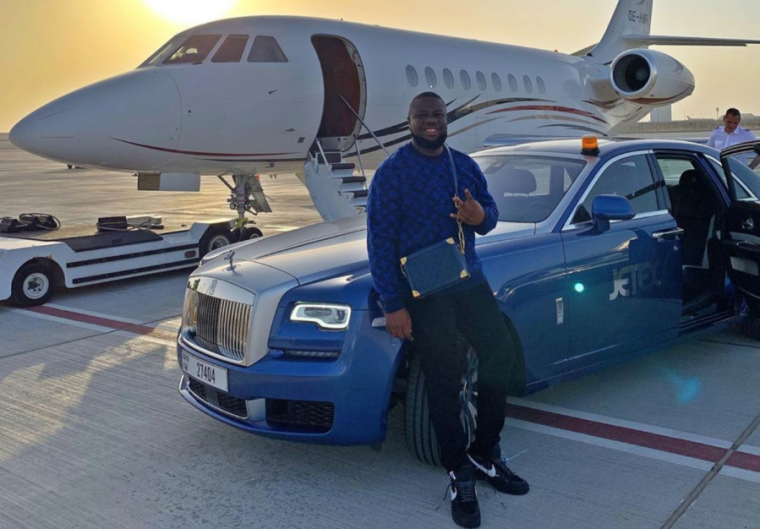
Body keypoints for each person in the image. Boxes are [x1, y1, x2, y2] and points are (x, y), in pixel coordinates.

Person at [366, 92, 529, 529]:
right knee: (444, 374)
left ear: (446, 119)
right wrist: (393, 304)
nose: (431, 122)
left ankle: (485, 452)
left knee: (500, 355)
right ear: (410, 121)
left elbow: (490, 215)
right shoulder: (392, 172)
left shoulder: (463, 164)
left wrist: (479, 215)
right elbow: (378, 242)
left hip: (468, 281)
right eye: (422, 116)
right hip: (423, 291)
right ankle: (459, 471)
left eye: (437, 115)